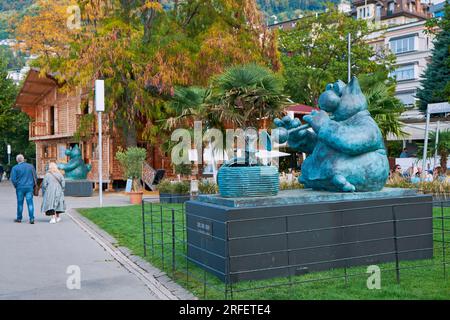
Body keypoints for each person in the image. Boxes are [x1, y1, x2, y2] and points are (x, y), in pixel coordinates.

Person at [11, 154, 37, 224]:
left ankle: (19, 218)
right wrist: (33, 185)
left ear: (17, 160)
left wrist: (16, 185)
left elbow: (13, 179)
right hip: (29, 187)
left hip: (20, 187)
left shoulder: (15, 168)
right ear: (23, 159)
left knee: (20, 203)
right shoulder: (30, 166)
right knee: (30, 203)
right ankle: (31, 218)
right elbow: (35, 176)